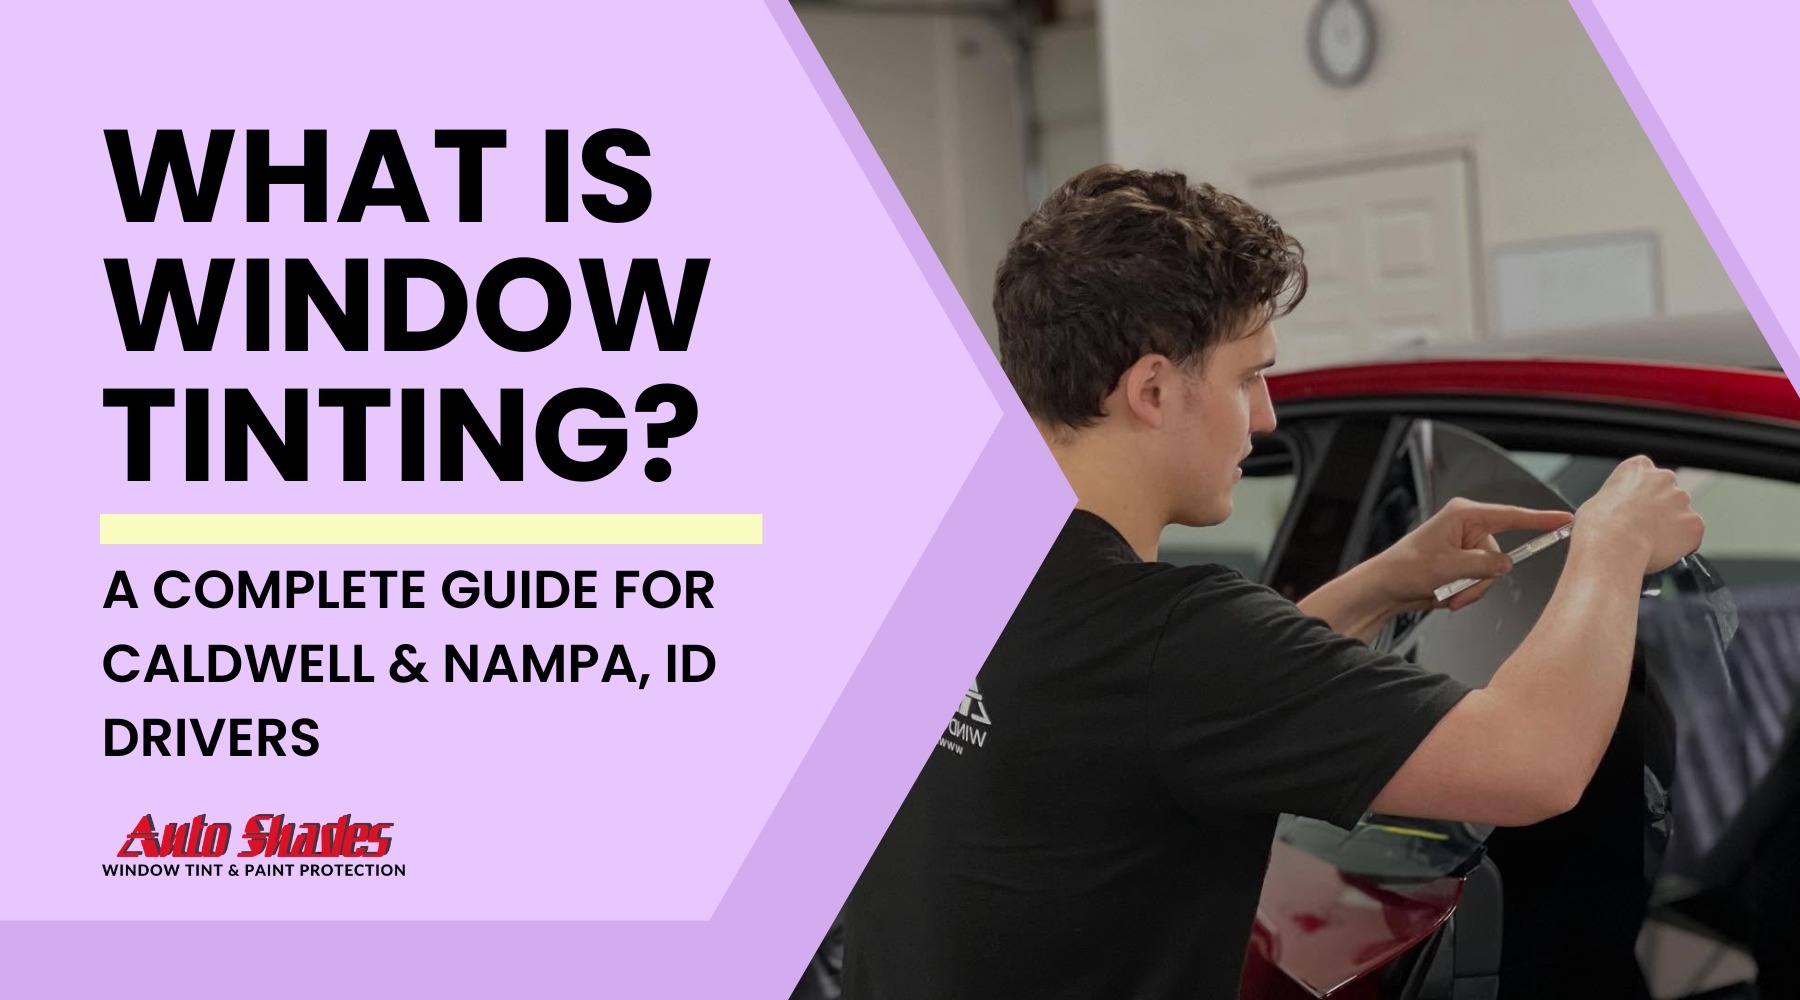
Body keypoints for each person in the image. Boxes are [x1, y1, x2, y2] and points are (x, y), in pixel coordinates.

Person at [838, 165, 1705, 998]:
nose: (1266, 416)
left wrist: (1383, 583)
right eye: (1248, 376)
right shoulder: (1166, 640)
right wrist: (1612, 543)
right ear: (1150, 388)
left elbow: (1184, 709)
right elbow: (1533, 767)